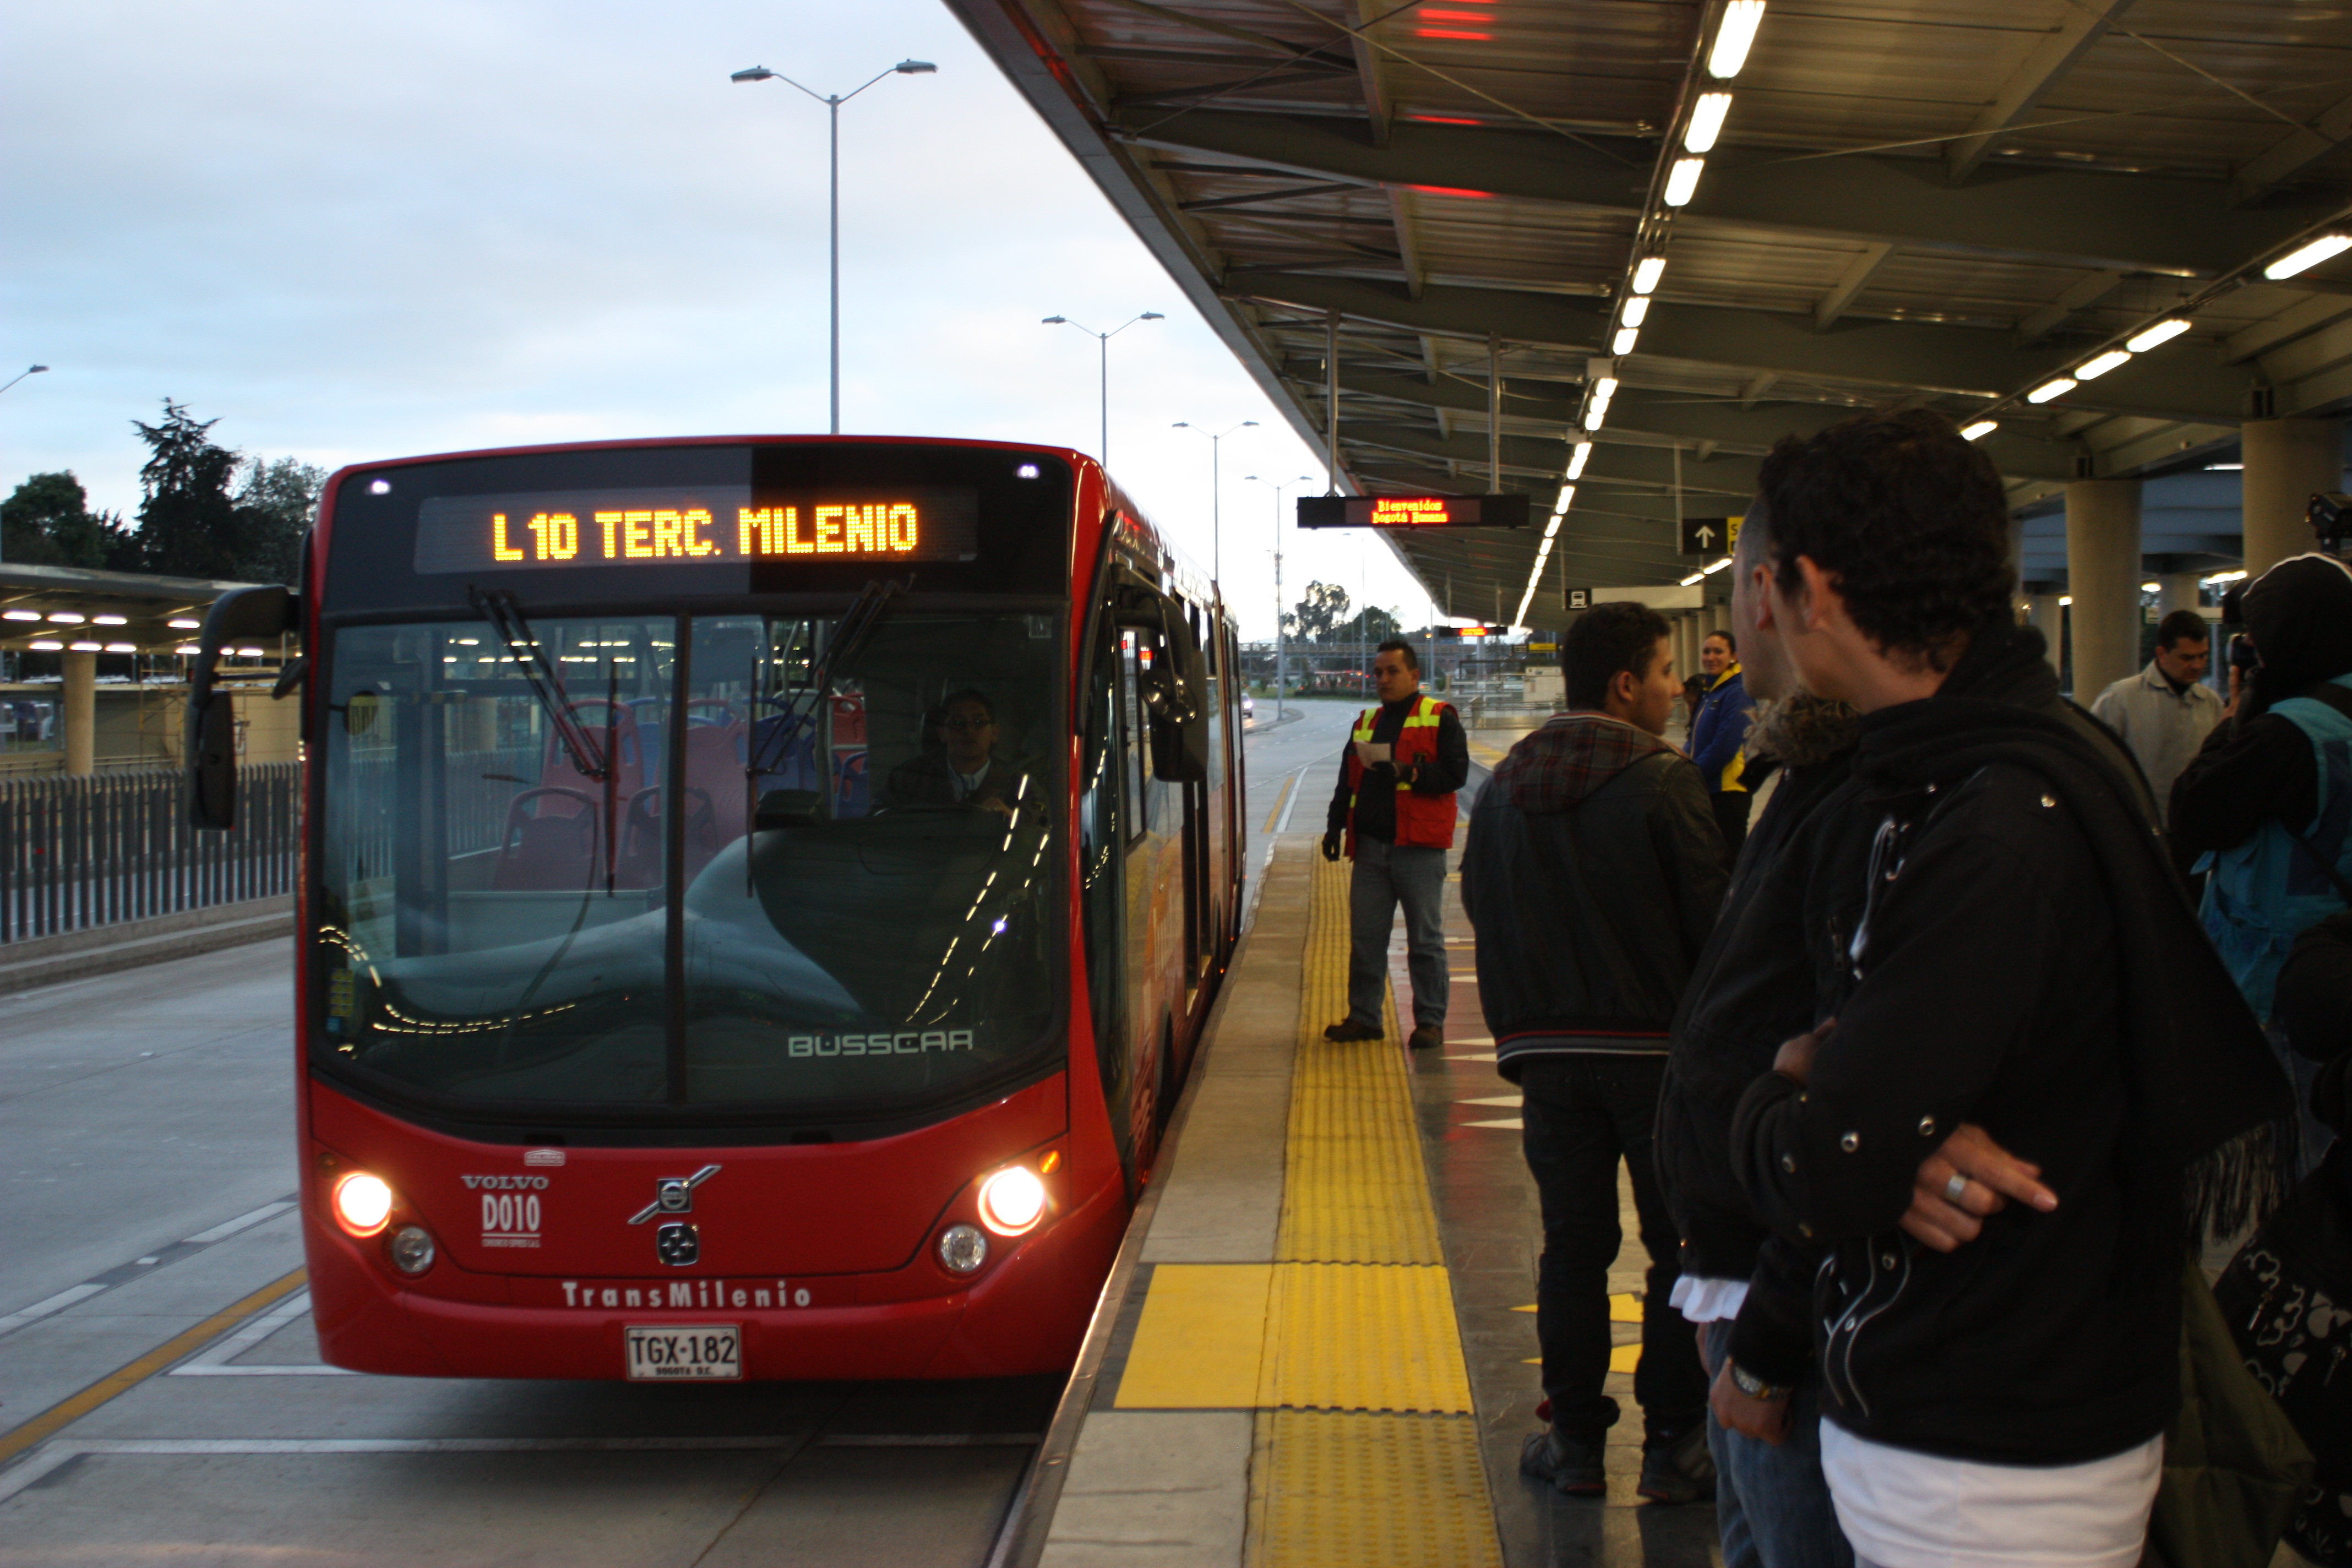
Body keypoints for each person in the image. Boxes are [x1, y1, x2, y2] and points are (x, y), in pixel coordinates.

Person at [1721, 409, 2283, 1568]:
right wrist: (1868, 1125)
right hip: (1988, 1425)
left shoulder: (1986, 825)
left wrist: (1782, 1098)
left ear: (1817, 588)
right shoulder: (1992, 767)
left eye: (1769, 582)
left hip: (1986, 1451)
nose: (1764, 610)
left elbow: (1836, 1157)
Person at [1460, 600, 1729, 1504]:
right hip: (1657, 1063)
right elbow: (1715, 928)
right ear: (1624, 684)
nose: (1673, 690)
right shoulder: (1663, 780)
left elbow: (1482, 914)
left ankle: (1573, 1445)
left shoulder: (1504, 786)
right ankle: (1671, 1447)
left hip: (1546, 1059)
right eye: (1663, 673)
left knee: (1572, 1246)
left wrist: (1519, 1033)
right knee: (1675, 1248)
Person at [1659, 494, 1862, 1568]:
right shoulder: (1800, 779)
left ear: (1781, 596)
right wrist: (1712, 1276)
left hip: (1792, 1303)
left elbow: (1846, 1104)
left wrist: (1768, 1340)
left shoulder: (1865, 797)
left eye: (1741, 590)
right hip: (1741, 1271)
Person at [2173, 553, 2352, 1177]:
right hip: (2341, 962)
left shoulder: (2285, 732)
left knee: (2304, 1154)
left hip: (2284, 978)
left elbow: (2195, 813)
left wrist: (2234, 720)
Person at [1321, 640, 1468, 1051]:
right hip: (1369, 849)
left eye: (1392, 672)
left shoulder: (1440, 718)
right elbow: (1347, 781)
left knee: (1425, 940)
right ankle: (1365, 1017)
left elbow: (1456, 774)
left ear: (1415, 676)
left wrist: (1411, 773)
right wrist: (1335, 828)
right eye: (1378, 672)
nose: (1383, 679)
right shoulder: (1366, 722)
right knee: (1366, 940)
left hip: (1418, 848)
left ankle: (1430, 1022)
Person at [2088, 608, 2223, 826]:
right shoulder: (2121, 698)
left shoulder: (2212, 702)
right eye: (2187, 658)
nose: (2197, 665)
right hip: (2141, 827)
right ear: (2161, 653)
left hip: (2196, 828)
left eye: (2203, 656)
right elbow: (2094, 760)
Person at [884, 689, 1032, 816]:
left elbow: (1042, 829)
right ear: (942, 734)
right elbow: (878, 822)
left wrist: (1014, 822)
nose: (969, 730)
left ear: (995, 733)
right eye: (958, 723)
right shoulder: (909, 779)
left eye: (979, 723)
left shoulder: (1020, 784)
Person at [1689, 630, 1757, 856]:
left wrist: (1693, 774)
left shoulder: (1737, 692)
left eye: (1719, 651)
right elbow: (1695, 739)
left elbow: (1725, 746)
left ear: (1734, 656)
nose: (1711, 657)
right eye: (1706, 651)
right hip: (1711, 788)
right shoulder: (1713, 692)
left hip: (1729, 791)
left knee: (1727, 858)